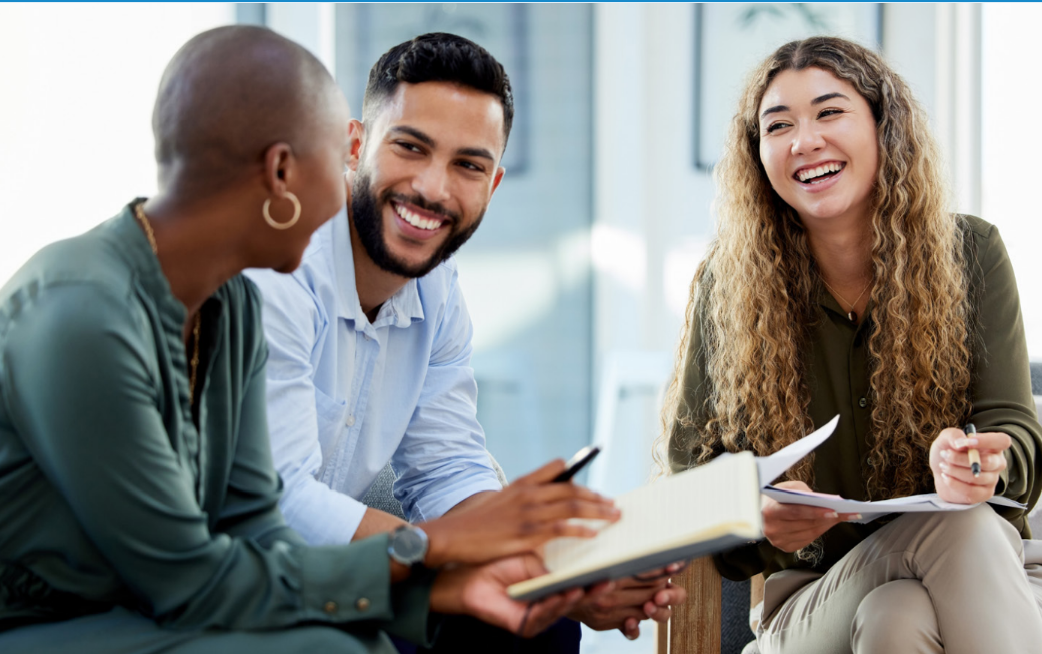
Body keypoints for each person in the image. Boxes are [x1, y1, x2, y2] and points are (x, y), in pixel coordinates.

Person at [0, 25, 615, 654]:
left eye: (467, 164)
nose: (420, 190)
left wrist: (464, 580)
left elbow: (255, 520)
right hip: (59, 616)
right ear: (285, 170)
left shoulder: (227, 305)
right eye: (340, 153)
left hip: (182, 590)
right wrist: (438, 554)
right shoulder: (80, 313)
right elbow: (189, 575)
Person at [246, 32, 685, 651]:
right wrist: (471, 554)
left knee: (539, 621)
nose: (433, 188)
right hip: (246, 577)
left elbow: (447, 466)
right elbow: (283, 504)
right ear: (354, 145)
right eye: (410, 147)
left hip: (345, 569)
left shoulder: (437, 288)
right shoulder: (279, 268)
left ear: (494, 184)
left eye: (468, 165)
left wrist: (560, 571)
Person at [664, 36, 1042, 654]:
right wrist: (760, 521)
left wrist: (978, 462)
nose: (803, 140)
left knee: (898, 617)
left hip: (975, 578)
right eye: (778, 125)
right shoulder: (727, 286)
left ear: (882, 125)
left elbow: (1013, 434)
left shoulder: (971, 254)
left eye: (829, 112)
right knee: (961, 534)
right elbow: (688, 483)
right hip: (813, 602)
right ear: (758, 155)